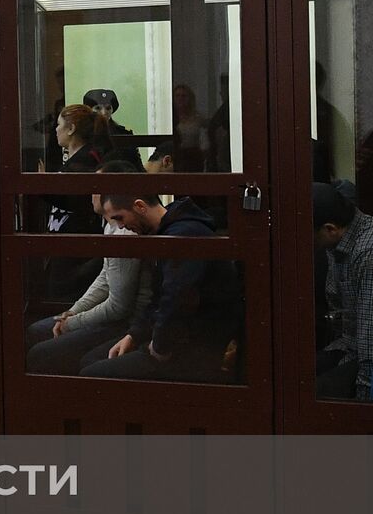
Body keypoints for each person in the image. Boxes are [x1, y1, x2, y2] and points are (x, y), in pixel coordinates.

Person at [80, 192, 242, 382]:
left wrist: (159, 347)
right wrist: (133, 335)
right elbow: (158, 298)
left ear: (140, 206)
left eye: (120, 218)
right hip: (180, 335)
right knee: (91, 360)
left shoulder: (181, 235)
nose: (121, 226)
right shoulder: (166, 233)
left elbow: (178, 299)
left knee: (92, 374)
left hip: (196, 343)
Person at [26, 162, 151, 375]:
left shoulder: (126, 232)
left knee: (41, 350)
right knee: (36, 331)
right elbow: (105, 278)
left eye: (96, 187)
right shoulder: (112, 225)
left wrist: (73, 322)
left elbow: (119, 307)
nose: (91, 193)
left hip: (124, 324)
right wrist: (74, 311)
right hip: (115, 317)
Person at [313, 183, 373, 400]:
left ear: (330, 229)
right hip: (349, 345)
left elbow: (370, 337)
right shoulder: (337, 242)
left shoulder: (367, 253)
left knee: (314, 399)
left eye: (312, 238)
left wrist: (362, 404)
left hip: (366, 356)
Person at [42, 104, 107, 300]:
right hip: (64, 241)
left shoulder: (86, 161)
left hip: (77, 248)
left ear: (71, 129)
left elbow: (74, 200)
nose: (55, 129)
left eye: (59, 124)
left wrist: (42, 188)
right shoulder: (76, 158)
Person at [83, 88, 142, 169]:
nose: (104, 112)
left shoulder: (123, 133)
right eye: (98, 108)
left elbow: (137, 165)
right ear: (90, 110)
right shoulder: (83, 133)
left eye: (108, 108)